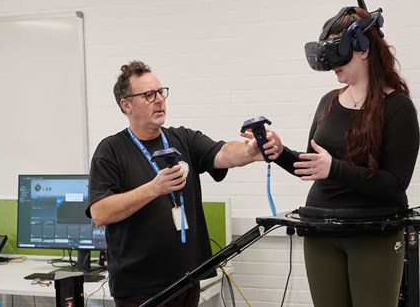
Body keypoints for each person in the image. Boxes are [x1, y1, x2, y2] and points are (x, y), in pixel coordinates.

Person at [85, 60, 280, 307]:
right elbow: (99, 212)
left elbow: (222, 153)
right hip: (139, 288)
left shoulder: (182, 138)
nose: (159, 100)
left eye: (160, 92)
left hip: (187, 279)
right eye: (148, 95)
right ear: (126, 105)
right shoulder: (111, 150)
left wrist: (250, 152)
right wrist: (154, 188)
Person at [272, 7, 420, 307]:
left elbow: (395, 184)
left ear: (363, 49)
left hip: (373, 235)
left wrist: (335, 169)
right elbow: (314, 165)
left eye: (338, 56)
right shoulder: (328, 102)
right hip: (321, 232)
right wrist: (278, 153)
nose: (333, 68)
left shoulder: (398, 108)